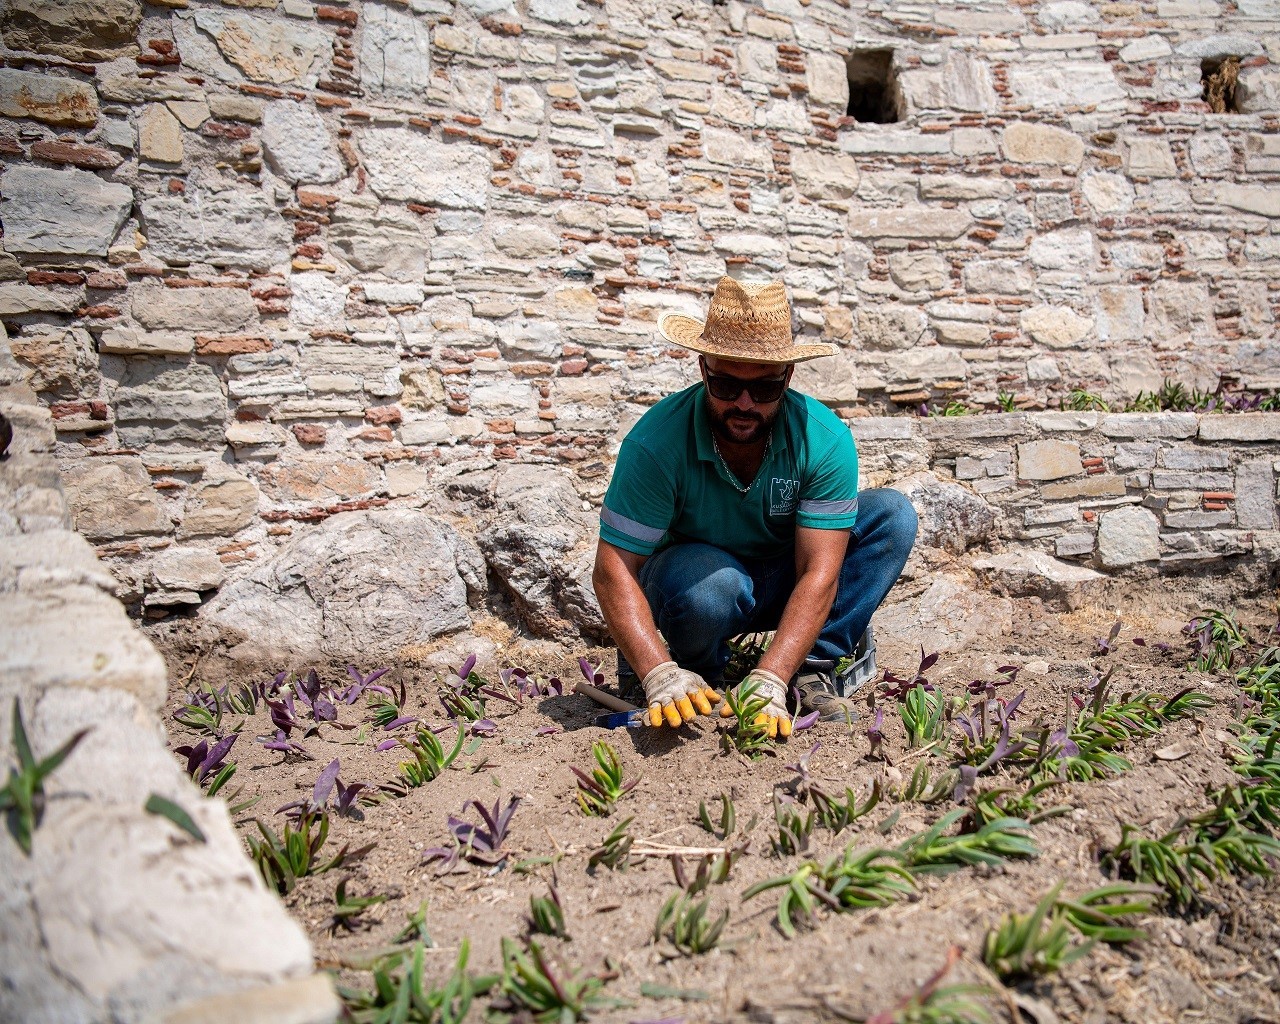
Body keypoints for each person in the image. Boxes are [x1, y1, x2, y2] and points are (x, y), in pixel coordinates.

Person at [591, 276, 918, 737]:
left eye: (763, 390)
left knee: (892, 517)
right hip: (700, 583)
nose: (743, 404)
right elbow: (613, 569)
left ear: (787, 378)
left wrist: (770, 678)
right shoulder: (656, 444)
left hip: (785, 578)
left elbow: (820, 572)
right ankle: (693, 674)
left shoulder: (822, 440)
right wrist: (655, 671)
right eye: (726, 384)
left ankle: (809, 669)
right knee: (711, 585)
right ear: (703, 369)